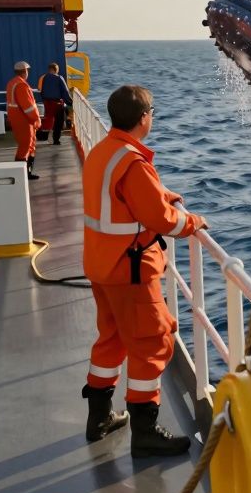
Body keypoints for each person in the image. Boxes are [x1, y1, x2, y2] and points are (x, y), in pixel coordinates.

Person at [81, 85, 209, 457]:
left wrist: (160, 194)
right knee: (153, 342)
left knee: (112, 338)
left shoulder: (104, 152)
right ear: (143, 118)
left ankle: (99, 419)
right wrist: (193, 220)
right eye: (151, 110)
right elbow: (162, 220)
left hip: (101, 265)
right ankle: (146, 431)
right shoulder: (134, 163)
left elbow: (125, 202)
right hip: (130, 271)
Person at [5, 61, 41, 180]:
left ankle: (26, 172)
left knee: (28, 144)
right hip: (24, 119)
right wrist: (36, 118)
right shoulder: (21, 85)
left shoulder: (12, 83)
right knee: (26, 145)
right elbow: (28, 106)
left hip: (16, 118)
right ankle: (22, 174)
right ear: (25, 71)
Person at [36, 62, 72, 145]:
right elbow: (65, 92)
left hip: (47, 102)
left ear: (49, 69)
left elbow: (40, 90)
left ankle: (42, 135)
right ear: (56, 70)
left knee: (48, 118)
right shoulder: (59, 78)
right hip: (57, 103)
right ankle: (56, 140)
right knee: (59, 122)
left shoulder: (43, 78)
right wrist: (70, 102)